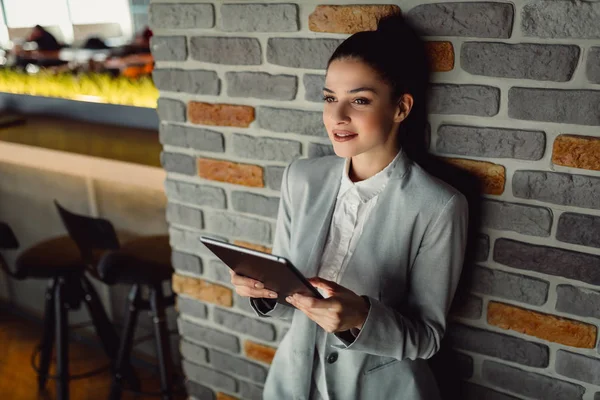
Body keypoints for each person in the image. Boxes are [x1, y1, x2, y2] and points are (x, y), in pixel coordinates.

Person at [231, 13, 469, 400]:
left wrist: (361, 316)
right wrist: (263, 290)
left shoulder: (439, 206)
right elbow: (289, 296)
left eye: (359, 100)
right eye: (330, 98)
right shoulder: (301, 178)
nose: (337, 117)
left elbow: (426, 338)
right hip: (294, 383)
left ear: (401, 108)